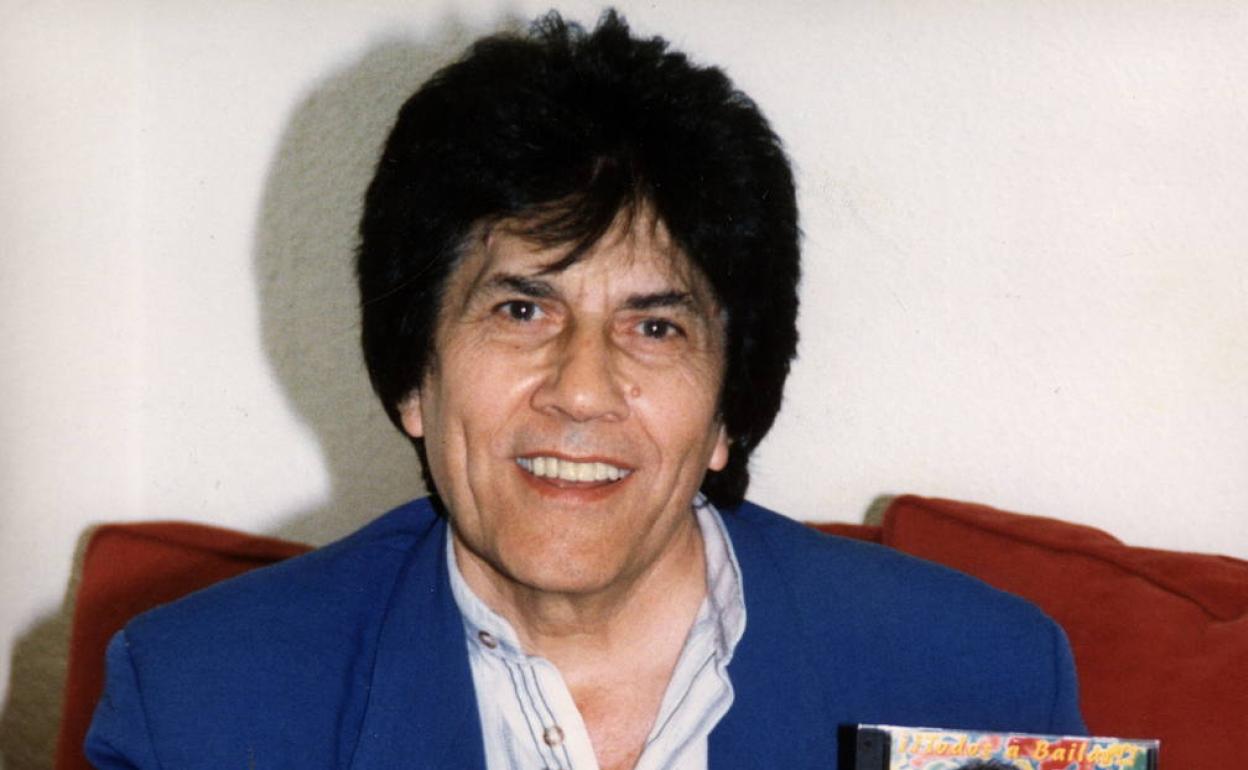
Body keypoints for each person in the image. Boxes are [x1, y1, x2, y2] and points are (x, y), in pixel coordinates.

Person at [85, 10, 1084, 770]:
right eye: (522, 310)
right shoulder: (200, 706)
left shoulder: (977, 681)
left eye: (655, 326)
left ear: (729, 409)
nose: (581, 390)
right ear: (414, 378)